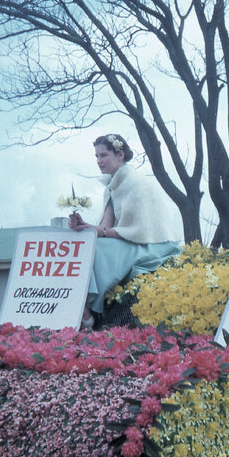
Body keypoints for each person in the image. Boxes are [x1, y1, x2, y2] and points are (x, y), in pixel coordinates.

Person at [70, 134, 181, 327]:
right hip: (131, 240)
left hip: (153, 245)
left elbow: (137, 230)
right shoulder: (112, 186)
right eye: (96, 156)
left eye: (103, 155)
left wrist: (99, 233)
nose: (99, 161)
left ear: (120, 154)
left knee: (97, 251)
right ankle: (82, 308)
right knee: (86, 245)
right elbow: (105, 227)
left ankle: (88, 311)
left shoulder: (135, 182)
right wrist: (84, 227)